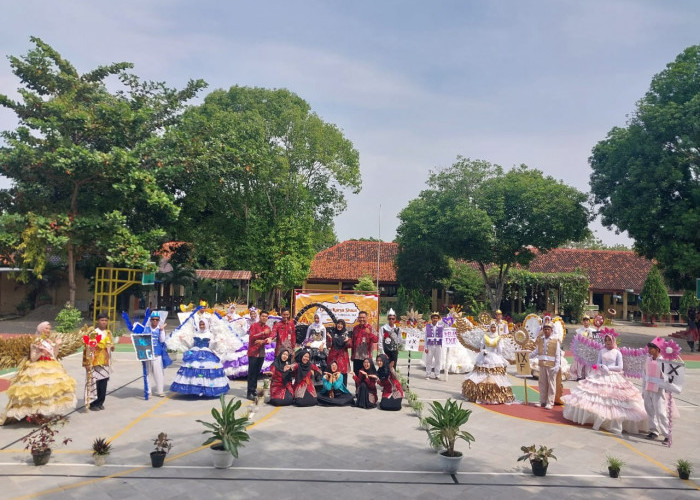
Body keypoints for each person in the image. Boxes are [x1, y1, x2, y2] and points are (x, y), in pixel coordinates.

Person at [562, 333, 647, 435]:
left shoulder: (617, 353)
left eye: (609, 340)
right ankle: (594, 418)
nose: (607, 342)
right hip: (600, 374)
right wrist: (601, 366)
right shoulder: (601, 351)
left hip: (613, 376)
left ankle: (611, 422)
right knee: (595, 398)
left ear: (613, 341)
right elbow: (598, 363)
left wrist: (609, 368)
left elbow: (620, 367)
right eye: (606, 340)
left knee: (612, 400)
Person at [1, 322, 77, 423]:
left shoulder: (49, 341)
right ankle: (35, 415)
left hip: (51, 367)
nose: (48, 331)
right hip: (37, 368)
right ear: (41, 329)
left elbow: (54, 355)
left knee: (49, 392)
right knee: (37, 393)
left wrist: (57, 345)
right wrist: (40, 351)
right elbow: (32, 359)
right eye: (46, 328)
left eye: (49, 329)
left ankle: (42, 413)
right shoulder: (35, 341)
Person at [170, 318, 230, 397]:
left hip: (207, 354)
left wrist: (217, 341)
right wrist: (184, 340)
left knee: (206, 371)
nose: (201, 326)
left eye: (203, 324)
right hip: (194, 352)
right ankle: (194, 389)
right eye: (200, 324)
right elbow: (191, 345)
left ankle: (205, 389)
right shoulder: (196, 333)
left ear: (206, 325)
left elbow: (211, 346)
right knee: (193, 370)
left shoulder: (210, 334)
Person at [462, 321, 514, 404]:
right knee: (481, 375)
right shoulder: (485, 336)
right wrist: (484, 352)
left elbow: (499, 351)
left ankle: (493, 396)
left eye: (494, 327)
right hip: (484, 357)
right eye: (492, 327)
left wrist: (496, 357)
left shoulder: (499, 338)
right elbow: (481, 347)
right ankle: (481, 395)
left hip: (494, 358)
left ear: (496, 328)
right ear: (490, 328)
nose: (493, 329)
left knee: (494, 376)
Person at [83, 313, 114, 411]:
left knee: (103, 382)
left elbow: (112, 347)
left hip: (105, 361)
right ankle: (93, 403)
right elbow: (87, 348)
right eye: (102, 320)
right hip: (95, 361)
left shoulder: (108, 333)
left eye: (105, 320)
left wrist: (112, 347)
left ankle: (101, 401)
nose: (104, 322)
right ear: (98, 321)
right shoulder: (93, 333)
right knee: (94, 382)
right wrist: (87, 363)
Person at [642, 338, 670, 443]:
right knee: (649, 410)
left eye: (651, 348)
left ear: (657, 349)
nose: (649, 350)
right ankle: (653, 431)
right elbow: (644, 374)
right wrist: (643, 389)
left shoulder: (663, 361)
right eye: (649, 348)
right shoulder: (648, 359)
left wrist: (664, 386)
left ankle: (667, 433)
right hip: (648, 388)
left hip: (658, 390)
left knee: (660, 411)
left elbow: (667, 377)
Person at [528, 323, 560, 409]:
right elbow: (536, 351)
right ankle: (542, 401)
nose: (546, 331)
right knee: (542, 383)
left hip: (551, 365)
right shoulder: (541, 340)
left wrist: (557, 365)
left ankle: (550, 402)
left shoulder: (555, 340)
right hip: (542, 364)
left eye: (548, 329)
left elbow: (558, 354)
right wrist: (526, 356)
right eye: (545, 329)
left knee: (551, 384)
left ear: (551, 330)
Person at [247, 310, 273, 400]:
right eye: (263, 316)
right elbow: (252, 337)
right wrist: (262, 333)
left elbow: (269, 340)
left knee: (257, 373)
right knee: (252, 373)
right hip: (253, 352)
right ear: (260, 317)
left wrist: (262, 341)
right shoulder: (254, 326)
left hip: (261, 353)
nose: (264, 318)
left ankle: (254, 390)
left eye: (266, 316)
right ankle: (249, 392)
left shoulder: (268, 328)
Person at [144, 312, 170, 398]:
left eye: (157, 320)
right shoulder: (146, 329)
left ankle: (160, 391)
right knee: (147, 373)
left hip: (157, 354)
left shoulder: (160, 329)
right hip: (147, 354)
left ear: (159, 321)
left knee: (159, 373)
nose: (155, 321)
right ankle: (148, 391)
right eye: (153, 319)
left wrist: (162, 330)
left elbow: (162, 341)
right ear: (150, 320)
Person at [569, 315, 595, 381]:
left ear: (589, 322)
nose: (586, 322)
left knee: (588, 364)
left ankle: (587, 375)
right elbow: (576, 340)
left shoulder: (593, 331)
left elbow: (595, 340)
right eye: (584, 321)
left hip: (589, 349)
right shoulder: (579, 331)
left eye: (587, 320)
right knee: (580, 363)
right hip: (581, 349)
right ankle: (579, 376)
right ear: (582, 322)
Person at [326, 319, 351, 388]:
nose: (339, 325)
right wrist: (330, 339)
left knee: (342, 373)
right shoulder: (332, 333)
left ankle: (343, 391)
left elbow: (349, 346)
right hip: (333, 356)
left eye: (341, 324)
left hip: (343, 356)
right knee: (332, 371)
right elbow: (328, 346)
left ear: (343, 325)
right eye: (338, 324)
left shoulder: (346, 334)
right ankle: (331, 390)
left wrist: (347, 341)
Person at [424, 312, 444, 380]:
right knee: (429, 360)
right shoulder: (427, 326)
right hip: (430, 345)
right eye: (434, 318)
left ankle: (437, 374)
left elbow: (448, 323)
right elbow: (425, 337)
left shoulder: (441, 326)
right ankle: (428, 374)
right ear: (431, 319)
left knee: (438, 360)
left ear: (438, 319)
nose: (435, 319)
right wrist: (426, 347)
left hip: (438, 345)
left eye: (436, 318)